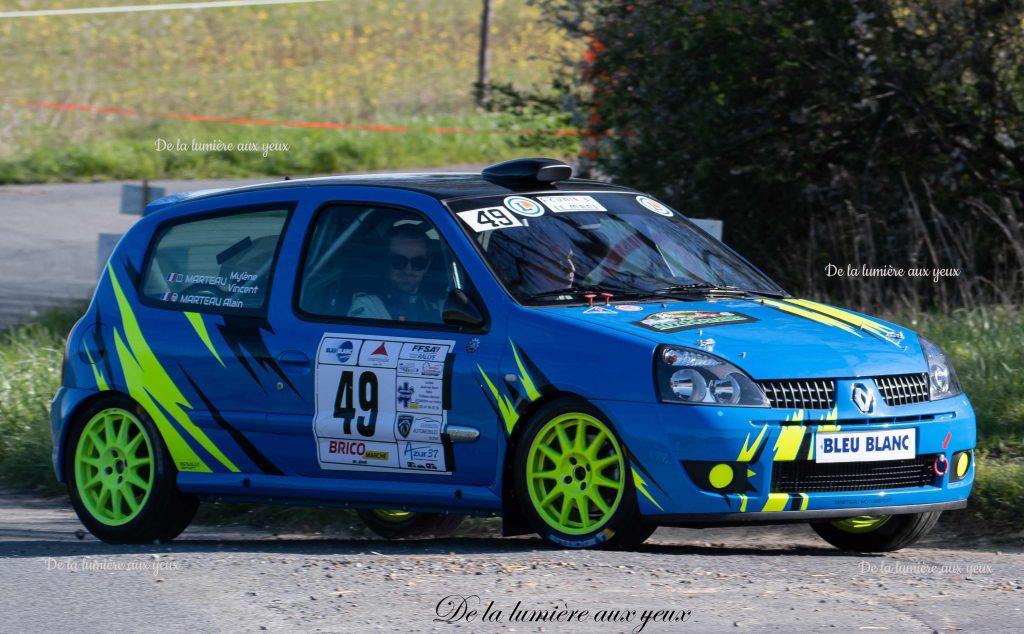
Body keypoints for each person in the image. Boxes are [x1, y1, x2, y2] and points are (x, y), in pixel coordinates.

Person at [347, 222, 443, 322]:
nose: (408, 270)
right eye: (399, 262)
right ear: (386, 261)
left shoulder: (444, 307)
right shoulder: (368, 305)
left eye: (417, 263)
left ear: (427, 265)